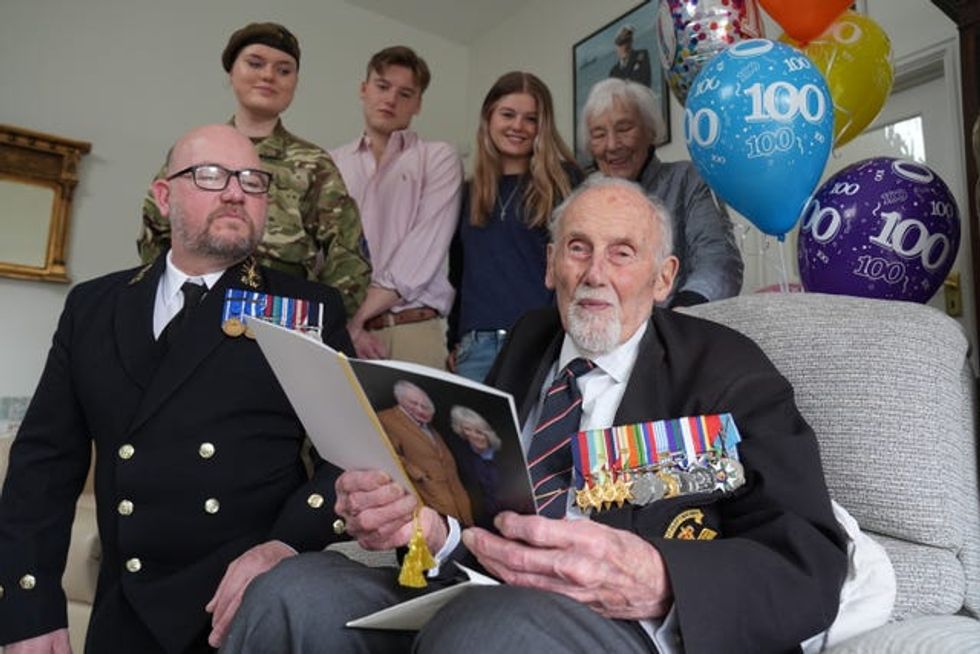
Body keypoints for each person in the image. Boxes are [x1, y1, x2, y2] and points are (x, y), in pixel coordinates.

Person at [220, 175, 848, 653]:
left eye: (623, 253)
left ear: (663, 279)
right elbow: (486, 511)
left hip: (618, 624)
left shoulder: (726, 368)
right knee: (291, 593)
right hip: (482, 588)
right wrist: (428, 528)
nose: (595, 274)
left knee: (488, 630)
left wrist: (661, 578)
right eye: (578, 248)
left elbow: (810, 559)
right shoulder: (530, 340)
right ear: (550, 265)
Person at [0, 124, 355, 654]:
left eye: (252, 181)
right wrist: (27, 610)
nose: (235, 192)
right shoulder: (94, 308)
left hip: (243, 609)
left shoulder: (305, 310)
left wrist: (286, 545)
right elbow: (43, 466)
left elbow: (349, 457)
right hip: (126, 611)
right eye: (211, 176)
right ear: (164, 198)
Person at [137, 22, 371, 318]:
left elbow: (349, 256)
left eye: (284, 70)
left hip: (275, 317)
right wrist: (170, 305)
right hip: (191, 309)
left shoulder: (314, 164)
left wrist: (315, 322)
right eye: (255, 63)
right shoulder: (194, 150)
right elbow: (154, 231)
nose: (268, 76)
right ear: (231, 71)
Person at [331, 46, 463, 368]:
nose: (391, 99)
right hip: (342, 333)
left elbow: (419, 256)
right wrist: (348, 326)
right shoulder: (330, 164)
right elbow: (324, 256)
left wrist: (355, 319)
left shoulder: (438, 158)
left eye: (405, 94)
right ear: (364, 89)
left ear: (418, 104)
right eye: (382, 86)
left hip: (412, 329)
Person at [448, 71, 581, 382]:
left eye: (531, 119)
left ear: (542, 126)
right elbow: (459, 273)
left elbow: (578, 264)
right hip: (475, 347)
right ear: (489, 117)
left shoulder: (565, 181)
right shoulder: (467, 193)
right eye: (508, 114)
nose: (518, 126)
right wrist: (454, 338)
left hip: (541, 342)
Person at [582, 78, 743, 306]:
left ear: (650, 131)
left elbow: (719, 261)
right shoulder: (585, 202)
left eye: (624, 129)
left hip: (679, 318)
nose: (612, 145)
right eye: (599, 135)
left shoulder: (688, 179)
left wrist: (682, 312)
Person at [379, 381, 473, 526]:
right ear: (400, 400)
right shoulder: (387, 419)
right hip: (425, 490)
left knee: (465, 525)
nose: (420, 410)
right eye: (414, 404)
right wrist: (418, 475)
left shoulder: (427, 425)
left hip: (453, 488)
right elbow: (388, 454)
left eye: (425, 407)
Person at [449, 405, 502, 521]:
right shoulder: (462, 457)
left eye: (479, 431)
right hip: (482, 516)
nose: (474, 436)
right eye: (468, 429)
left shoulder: (505, 453)